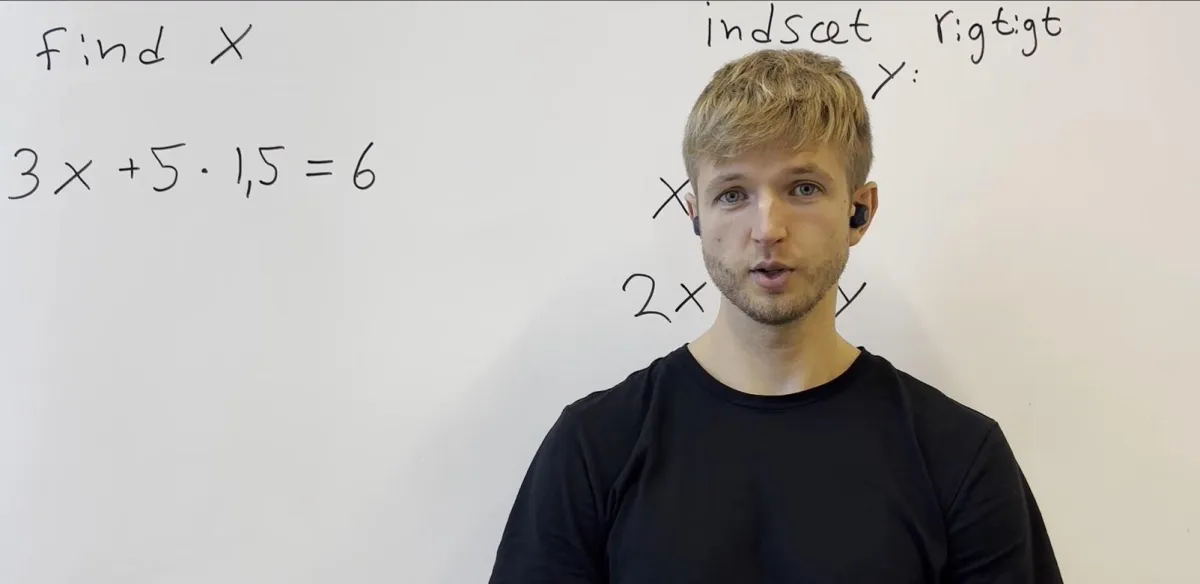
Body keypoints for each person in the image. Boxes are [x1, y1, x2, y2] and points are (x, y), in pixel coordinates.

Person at [487, 48, 1062, 584]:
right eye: (732, 194)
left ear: (860, 210)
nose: (767, 229)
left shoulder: (958, 455)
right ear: (695, 214)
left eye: (803, 188)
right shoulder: (593, 449)